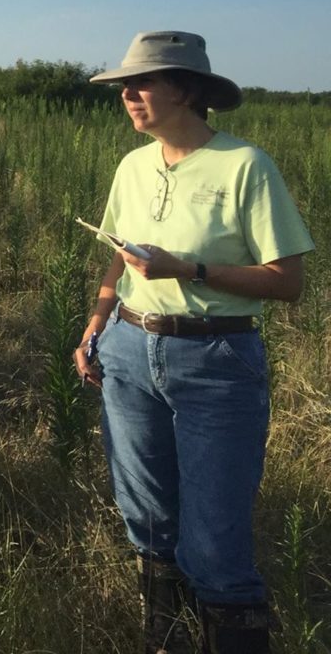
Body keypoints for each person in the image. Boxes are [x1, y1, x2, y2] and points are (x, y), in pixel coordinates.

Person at [73, 32, 313, 654]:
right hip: (128, 350)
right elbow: (117, 260)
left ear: (186, 90)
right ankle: (169, 639)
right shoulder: (133, 165)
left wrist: (192, 270)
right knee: (148, 520)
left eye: (143, 82)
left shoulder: (244, 165)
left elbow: (288, 282)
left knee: (214, 540)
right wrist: (97, 323)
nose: (128, 94)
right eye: (125, 85)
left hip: (215, 360)